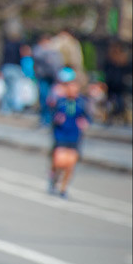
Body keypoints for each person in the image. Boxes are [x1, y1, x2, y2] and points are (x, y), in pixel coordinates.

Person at [48, 68, 90, 198]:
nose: (72, 90)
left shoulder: (81, 103)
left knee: (70, 165)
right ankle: (54, 178)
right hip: (61, 135)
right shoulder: (60, 101)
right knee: (59, 162)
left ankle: (63, 188)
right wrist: (56, 118)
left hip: (74, 136)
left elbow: (87, 117)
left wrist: (85, 122)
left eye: (75, 87)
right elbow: (51, 112)